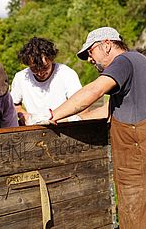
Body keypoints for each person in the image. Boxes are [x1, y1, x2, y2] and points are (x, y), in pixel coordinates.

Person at [50, 27, 146, 228]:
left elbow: (94, 90)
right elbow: (107, 111)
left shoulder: (123, 62)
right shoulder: (138, 62)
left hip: (136, 157)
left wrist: (54, 115)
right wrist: (75, 118)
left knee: (135, 211)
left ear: (107, 45)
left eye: (91, 52)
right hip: (138, 152)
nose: (90, 60)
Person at [11, 37, 83, 125]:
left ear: (51, 59)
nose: (40, 73)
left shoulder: (66, 74)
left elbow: (80, 103)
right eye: (34, 68)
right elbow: (14, 105)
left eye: (45, 67)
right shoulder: (20, 77)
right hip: (34, 128)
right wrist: (23, 115)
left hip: (63, 126)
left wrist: (59, 117)